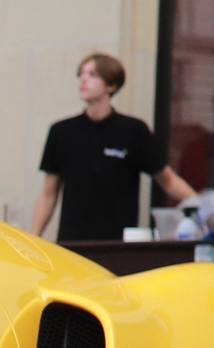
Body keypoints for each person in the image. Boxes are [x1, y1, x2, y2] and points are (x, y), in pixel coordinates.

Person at [31, 52, 196, 240]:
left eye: (92, 75)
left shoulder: (133, 131)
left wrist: (202, 206)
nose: (83, 80)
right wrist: (33, 238)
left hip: (118, 244)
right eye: (81, 74)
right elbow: (48, 193)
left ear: (111, 85)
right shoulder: (61, 132)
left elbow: (167, 179)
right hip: (73, 243)